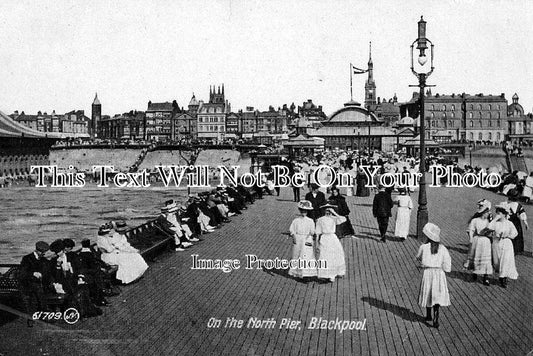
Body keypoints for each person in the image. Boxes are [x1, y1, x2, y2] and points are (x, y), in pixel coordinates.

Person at [416, 223, 451, 329]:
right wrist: (444, 269)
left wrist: (421, 264)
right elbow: (447, 265)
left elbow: (418, 258)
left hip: (428, 273)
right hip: (439, 274)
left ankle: (428, 315)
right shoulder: (443, 248)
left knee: (428, 292)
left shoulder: (423, 247)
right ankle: (436, 317)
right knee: (436, 295)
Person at [18, 241, 51, 327]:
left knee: (39, 291)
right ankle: (36, 317)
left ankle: (43, 315)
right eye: (42, 253)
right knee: (35, 294)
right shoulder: (27, 259)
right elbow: (22, 274)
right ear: (38, 251)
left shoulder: (44, 260)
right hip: (27, 285)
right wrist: (33, 273)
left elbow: (47, 273)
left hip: (40, 285)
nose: (43, 255)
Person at [487, 203, 519, 288]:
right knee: (497, 261)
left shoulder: (509, 223)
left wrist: (507, 235)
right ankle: (500, 275)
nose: (498, 215)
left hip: (506, 243)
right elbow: (489, 227)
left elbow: (515, 233)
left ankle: (503, 278)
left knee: (506, 261)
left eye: (499, 213)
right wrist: (495, 219)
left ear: (504, 214)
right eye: (497, 213)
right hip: (497, 243)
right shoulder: (495, 223)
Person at [315, 203, 346, 282]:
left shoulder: (334, 218)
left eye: (329, 210)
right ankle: (325, 274)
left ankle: (334, 273)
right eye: (326, 210)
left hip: (333, 238)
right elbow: (317, 232)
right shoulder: (320, 219)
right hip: (324, 238)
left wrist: (335, 213)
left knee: (335, 255)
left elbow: (343, 219)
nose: (328, 212)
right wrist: (317, 244)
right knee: (325, 255)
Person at [464, 199, 493, 285]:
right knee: (476, 255)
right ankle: (475, 272)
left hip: (486, 241)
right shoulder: (475, 220)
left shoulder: (489, 222)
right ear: (483, 212)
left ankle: (486, 276)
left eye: (488, 212)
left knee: (486, 258)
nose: (488, 214)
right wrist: (471, 239)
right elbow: (471, 230)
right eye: (486, 212)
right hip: (477, 240)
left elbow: (493, 230)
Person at [288, 200, 317, 280]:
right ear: (300, 211)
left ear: (307, 212)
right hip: (298, 238)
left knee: (307, 256)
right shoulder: (296, 220)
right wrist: (294, 236)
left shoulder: (310, 221)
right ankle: (297, 272)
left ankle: (307, 274)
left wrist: (311, 234)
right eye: (302, 211)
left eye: (305, 211)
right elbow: (292, 229)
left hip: (307, 238)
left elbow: (312, 231)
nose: (304, 213)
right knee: (297, 255)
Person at [506, 189, 528, 255]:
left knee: (509, 233)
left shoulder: (506, 204)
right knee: (517, 234)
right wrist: (525, 222)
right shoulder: (518, 205)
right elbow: (522, 214)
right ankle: (517, 249)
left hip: (508, 221)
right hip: (516, 222)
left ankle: (509, 248)